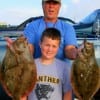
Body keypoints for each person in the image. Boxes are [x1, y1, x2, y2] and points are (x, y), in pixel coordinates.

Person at [21, 27, 72, 100]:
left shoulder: (64, 68)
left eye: (54, 46)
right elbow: (23, 93)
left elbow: (67, 94)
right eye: (47, 45)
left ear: (58, 47)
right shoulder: (30, 66)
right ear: (40, 44)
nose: (50, 49)